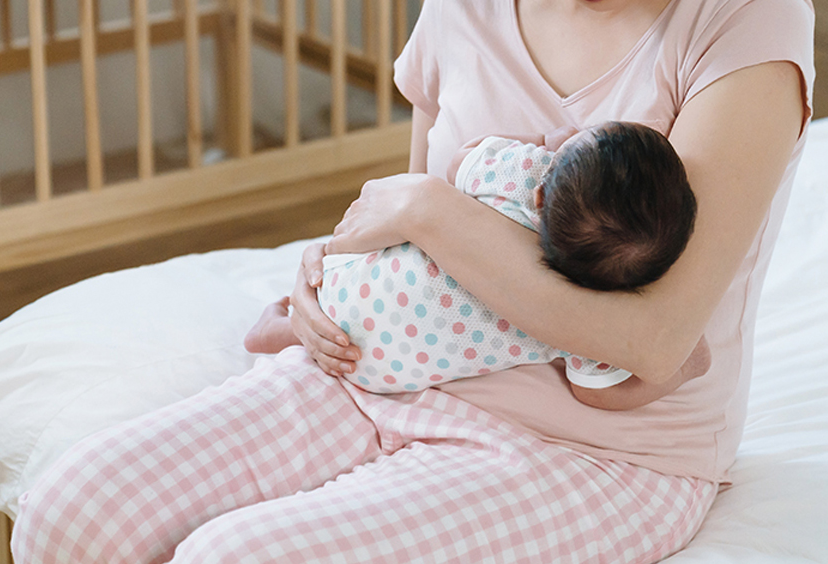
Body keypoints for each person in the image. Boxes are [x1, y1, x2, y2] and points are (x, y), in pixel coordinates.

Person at [10, 0, 814, 564]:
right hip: (401, 371)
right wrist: (332, 276)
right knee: (68, 521)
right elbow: (420, 244)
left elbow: (654, 339)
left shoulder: (745, 23)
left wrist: (426, 211)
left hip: (605, 451)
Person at [246, 120, 709, 406]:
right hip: (390, 373)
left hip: (353, 288)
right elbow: (595, 394)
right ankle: (286, 332)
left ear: (543, 193)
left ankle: (279, 329)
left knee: (329, 310)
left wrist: (542, 142)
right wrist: (686, 368)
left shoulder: (517, 180)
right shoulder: (593, 320)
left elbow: (462, 159)